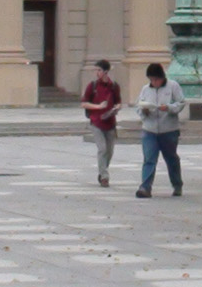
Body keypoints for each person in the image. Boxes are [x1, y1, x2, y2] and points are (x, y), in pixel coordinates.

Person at [134, 62, 186, 198]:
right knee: (149, 158)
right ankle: (145, 187)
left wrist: (169, 107)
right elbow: (138, 105)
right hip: (149, 129)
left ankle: (177, 184)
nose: (154, 82)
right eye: (151, 79)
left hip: (168, 129)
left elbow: (181, 103)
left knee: (171, 158)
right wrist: (144, 110)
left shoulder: (173, 86)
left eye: (156, 79)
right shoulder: (145, 89)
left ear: (162, 77)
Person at [80, 59, 122, 187]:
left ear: (106, 72)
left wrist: (117, 108)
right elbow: (84, 103)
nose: (97, 72)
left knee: (109, 151)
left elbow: (118, 102)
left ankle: (102, 170)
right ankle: (104, 176)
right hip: (96, 122)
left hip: (110, 122)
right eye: (96, 70)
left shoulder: (114, 86)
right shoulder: (92, 86)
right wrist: (98, 107)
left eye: (99, 70)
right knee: (102, 149)